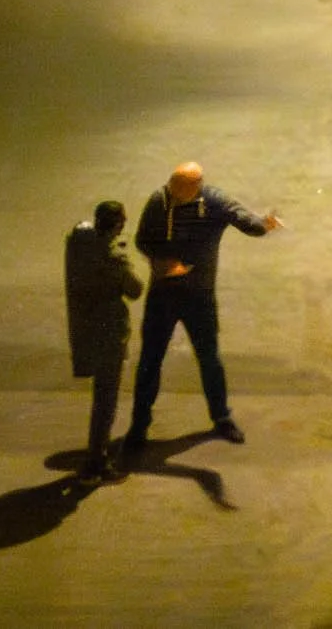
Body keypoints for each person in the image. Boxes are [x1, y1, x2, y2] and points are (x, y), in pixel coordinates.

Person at [121, 161, 282, 453]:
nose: (172, 191)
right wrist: (165, 263)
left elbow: (242, 218)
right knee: (150, 361)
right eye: (172, 184)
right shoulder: (159, 201)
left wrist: (263, 224)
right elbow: (142, 240)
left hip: (199, 296)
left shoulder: (214, 201)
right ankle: (139, 425)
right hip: (164, 293)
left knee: (209, 358)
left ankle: (221, 417)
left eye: (179, 187)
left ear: (196, 186)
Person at [65, 199, 141, 482]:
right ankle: (96, 461)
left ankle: (95, 458)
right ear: (119, 224)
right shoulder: (114, 258)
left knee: (101, 396)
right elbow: (135, 289)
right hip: (109, 333)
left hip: (86, 328)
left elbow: (81, 233)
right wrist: (122, 257)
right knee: (105, 400)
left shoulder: (78, 244)